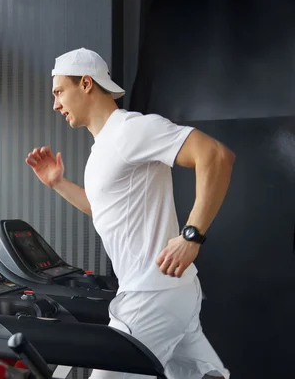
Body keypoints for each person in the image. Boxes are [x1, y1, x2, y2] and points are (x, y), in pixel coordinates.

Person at [26, 48, 234, 379]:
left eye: (59, 91)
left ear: (86, 83)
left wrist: (191, 235)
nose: (55, 104)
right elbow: (105, 211)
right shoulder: (103, 149)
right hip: (169, 290)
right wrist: (58, 183)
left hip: (151, 295)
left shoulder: (130, 130)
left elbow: (215, 155)